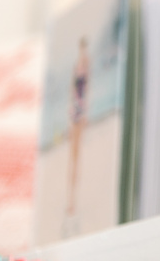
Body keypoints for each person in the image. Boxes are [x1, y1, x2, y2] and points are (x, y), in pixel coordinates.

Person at [67, 37, 90, 215]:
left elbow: (86, 90)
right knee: (73, 156)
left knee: (76, 156)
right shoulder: (78, 64)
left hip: (79, 110)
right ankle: (71, 200)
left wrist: (84, 113)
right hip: (76, 109)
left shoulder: (85, 63)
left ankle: (73, 200)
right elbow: (74, 91)